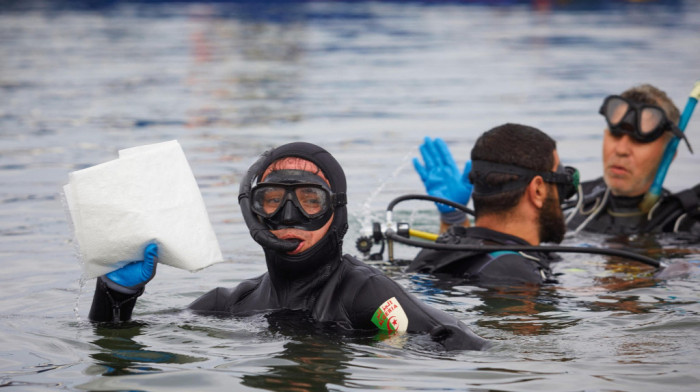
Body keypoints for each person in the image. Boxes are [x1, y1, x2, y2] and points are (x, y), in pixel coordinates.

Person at [88, 142, 488, 351]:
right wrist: (116, 294)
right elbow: (113, 344)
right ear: (254, 211)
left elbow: (460, 345)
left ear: (338, 213)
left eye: (311, 201)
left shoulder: (365, 294)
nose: (290, 216)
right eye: (273, 200)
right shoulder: (230, 304)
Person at [409, 123, 578, 286]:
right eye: (560, 180)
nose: (562, 194)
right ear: (538, 190)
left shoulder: (437, 252)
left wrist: (454, 218)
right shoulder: (516, 275)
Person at [566, 84, 700, 236]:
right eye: (615, 135)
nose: (621, 150)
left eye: (639, 141)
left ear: (669, 155)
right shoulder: (571, 202)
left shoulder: (683, 227)